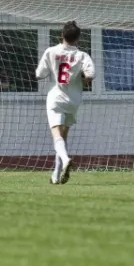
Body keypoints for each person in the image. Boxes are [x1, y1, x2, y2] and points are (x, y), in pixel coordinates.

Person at [35, 21, 95, 185]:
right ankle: (56, 174)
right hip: (73, 100)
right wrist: (84, 80)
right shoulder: (82, 55)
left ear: (62, 35)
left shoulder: (51, 51)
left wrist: (52, 69)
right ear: (78, 38)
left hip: (56, 98)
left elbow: (39, 74)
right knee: (62, 136)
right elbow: (90, 75)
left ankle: (66, 159)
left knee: (56, 136)